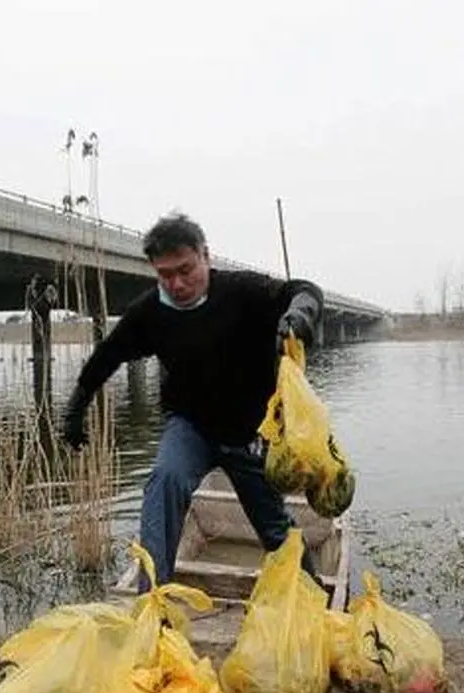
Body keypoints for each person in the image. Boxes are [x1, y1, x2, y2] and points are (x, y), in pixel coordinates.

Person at [61, 213, 325, 591]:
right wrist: (76, 407)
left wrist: (299, 314)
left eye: (186, 270)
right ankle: (151, 599)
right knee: (164, 482)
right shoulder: (150, 312)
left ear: (205, 255)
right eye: (165, 275)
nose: (178, 283)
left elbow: (305, 290)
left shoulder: (242, 292)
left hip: (249, 430)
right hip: (191, 426)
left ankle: (312, 596)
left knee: (272, 523)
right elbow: (108, 355)